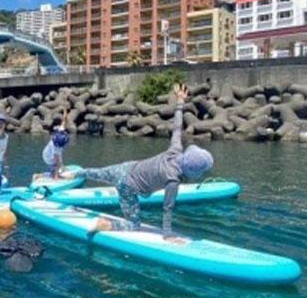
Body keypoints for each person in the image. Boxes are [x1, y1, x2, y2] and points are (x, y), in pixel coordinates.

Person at [62, 84, 213, 241]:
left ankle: (74, 173)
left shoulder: (175, 150)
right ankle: (104, 225)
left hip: (125, 167)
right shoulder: (173, 180)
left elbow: (176, 127)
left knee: (97, 173)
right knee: (134, 225)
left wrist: (180, 102)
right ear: (193, 172)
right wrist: (167, 235)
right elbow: (168, 208)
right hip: (127, 185)